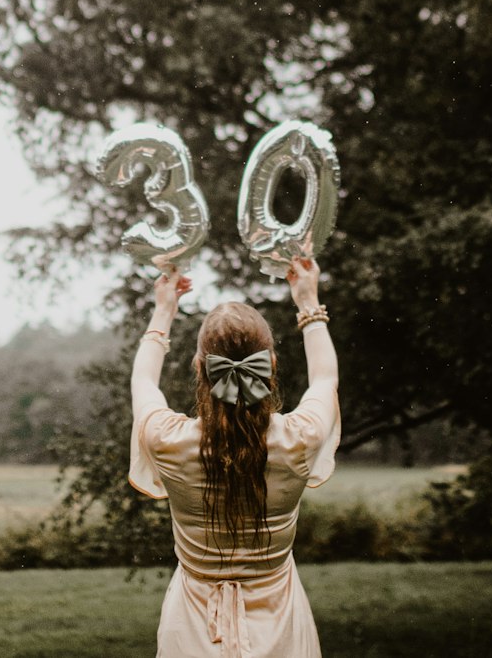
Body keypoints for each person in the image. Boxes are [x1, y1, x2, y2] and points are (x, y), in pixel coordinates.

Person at [129, 255, 340, 658]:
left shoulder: (168, 440)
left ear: (200, 368)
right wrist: (308, 300)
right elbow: (326, 377)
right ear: (271, 365)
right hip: (282, 624)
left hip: (190, 626)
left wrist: (163, 310)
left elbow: (142, 380)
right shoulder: (301, 437)